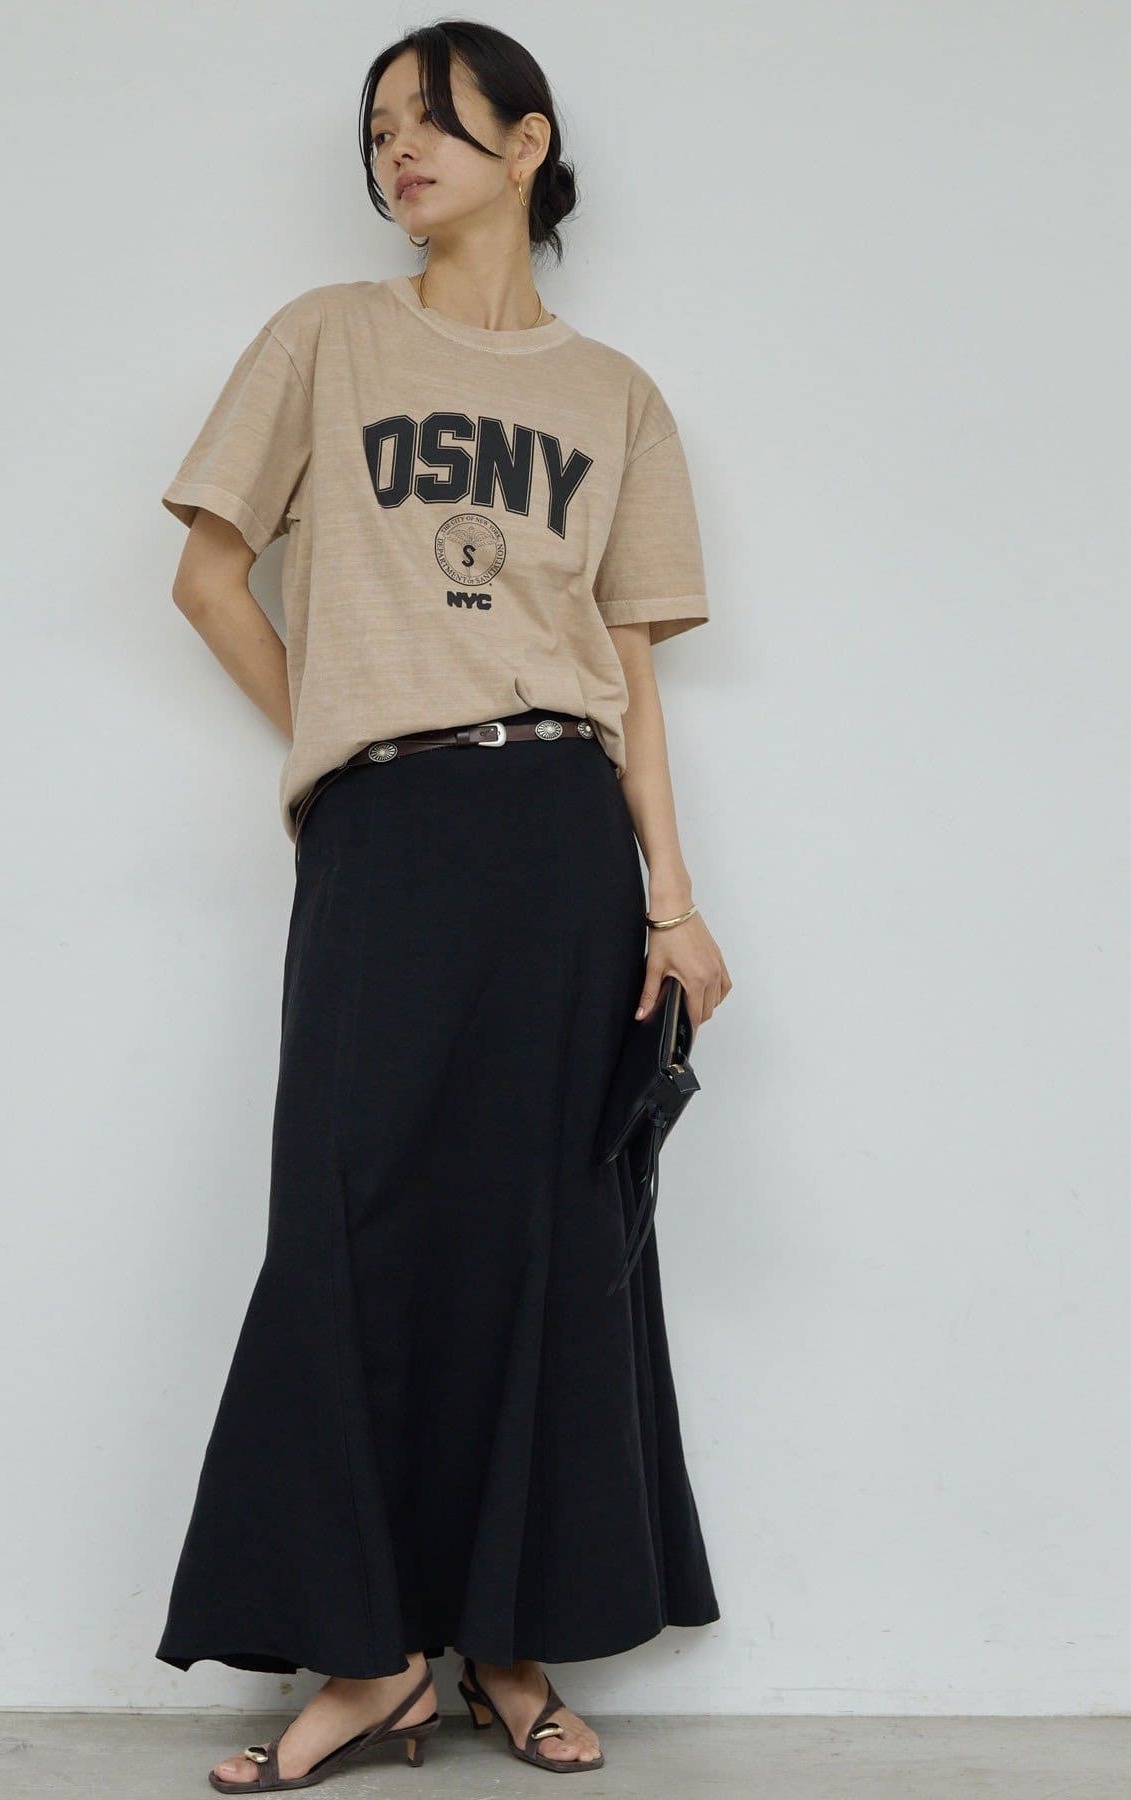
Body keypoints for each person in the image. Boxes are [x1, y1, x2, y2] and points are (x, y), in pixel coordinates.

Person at [155, 21, 732, 1792]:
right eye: (377, 130)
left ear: (526, 142)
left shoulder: (616, 396)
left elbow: (633, 675)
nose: (395, 151)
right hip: (389, 831)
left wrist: (675, 902)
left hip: (562, 831)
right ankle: (368, 1656)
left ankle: (508, 1644)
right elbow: (207, 574)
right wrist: (340, 738)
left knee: (545, 1231)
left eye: (431, 121)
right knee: (346, 1217)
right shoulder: (327, 339)